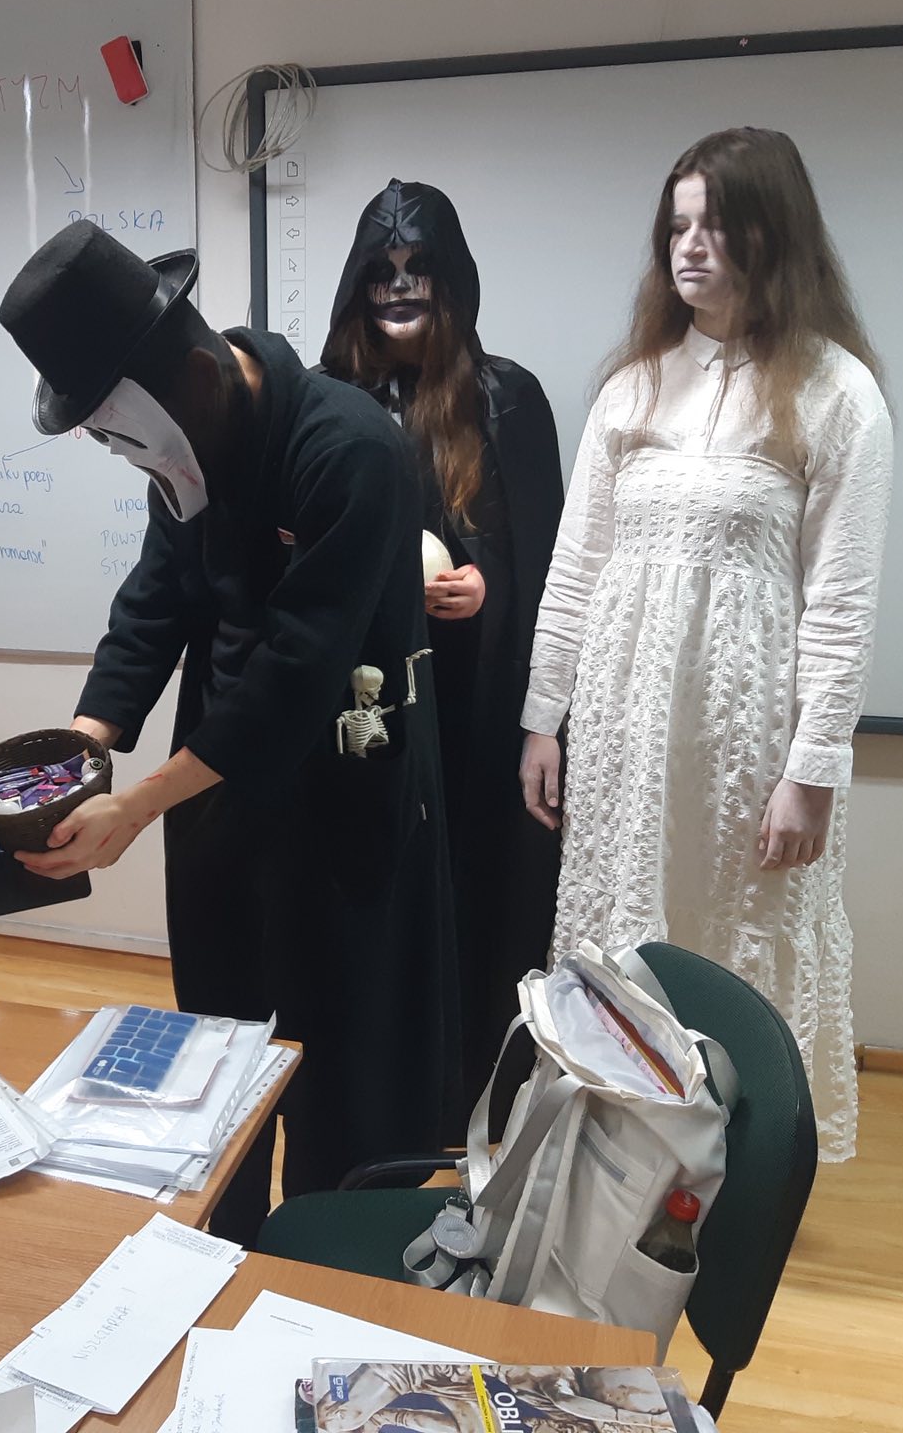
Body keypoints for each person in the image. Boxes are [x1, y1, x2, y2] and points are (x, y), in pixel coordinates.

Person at [0, 221, 454, 1243]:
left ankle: (328, 1257)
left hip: (343, 794)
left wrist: (133, 808)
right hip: (214, 791)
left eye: (116, 433)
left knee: (339, 1068)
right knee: (217, 1048)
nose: (121, 456)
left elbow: (298, 670)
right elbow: (153, 606)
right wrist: (84, 751)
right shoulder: (183, 451)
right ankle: (222, 1241)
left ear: (198, 378)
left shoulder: (350, 451)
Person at [518, 128, 893, 1160]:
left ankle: (737, 1169)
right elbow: (575, 566)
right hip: (626, 729)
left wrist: (811, 771)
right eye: (676, 226)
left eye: (715, 226)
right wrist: (543, 717)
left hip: (747, 743)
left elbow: (842, 604)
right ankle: (615, 1156)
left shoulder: (836, 393)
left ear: (773, 235)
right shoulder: (632, 387)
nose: (688, 246)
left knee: (739, 941)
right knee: (623, 935)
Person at [321, 180, 566, 1123]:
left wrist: (486, 586)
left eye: (419, 266)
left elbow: (546, 557)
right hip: (366, 709)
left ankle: (478, 1096)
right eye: (382, 269)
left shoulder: (507, 399)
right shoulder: (331, 400)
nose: (399, 286)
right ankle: (377, 1095)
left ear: (451, 279)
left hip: (477, 709)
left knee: (481, 894)